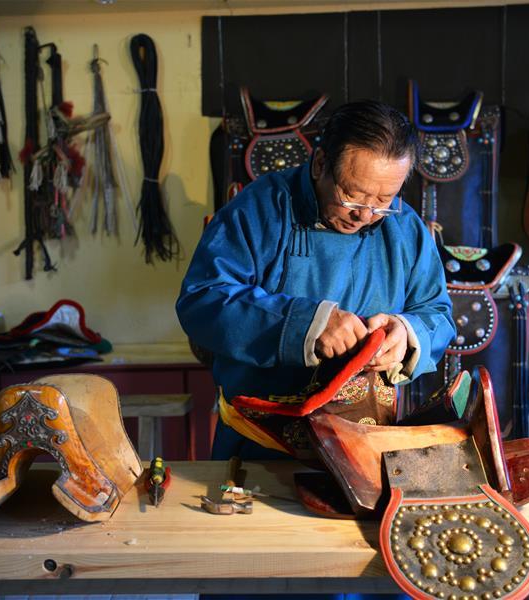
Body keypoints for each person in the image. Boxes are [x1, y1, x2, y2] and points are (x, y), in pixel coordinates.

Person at [176, 100, 456, 460]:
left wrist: (407, 333)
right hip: (260, 447)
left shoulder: (404, 228)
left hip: (366, 451)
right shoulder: (261, 208)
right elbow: (203, 299)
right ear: (321, 163)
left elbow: (437, 314)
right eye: (352, 196)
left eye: (384, 200)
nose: (365, 215)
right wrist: (306, 324)